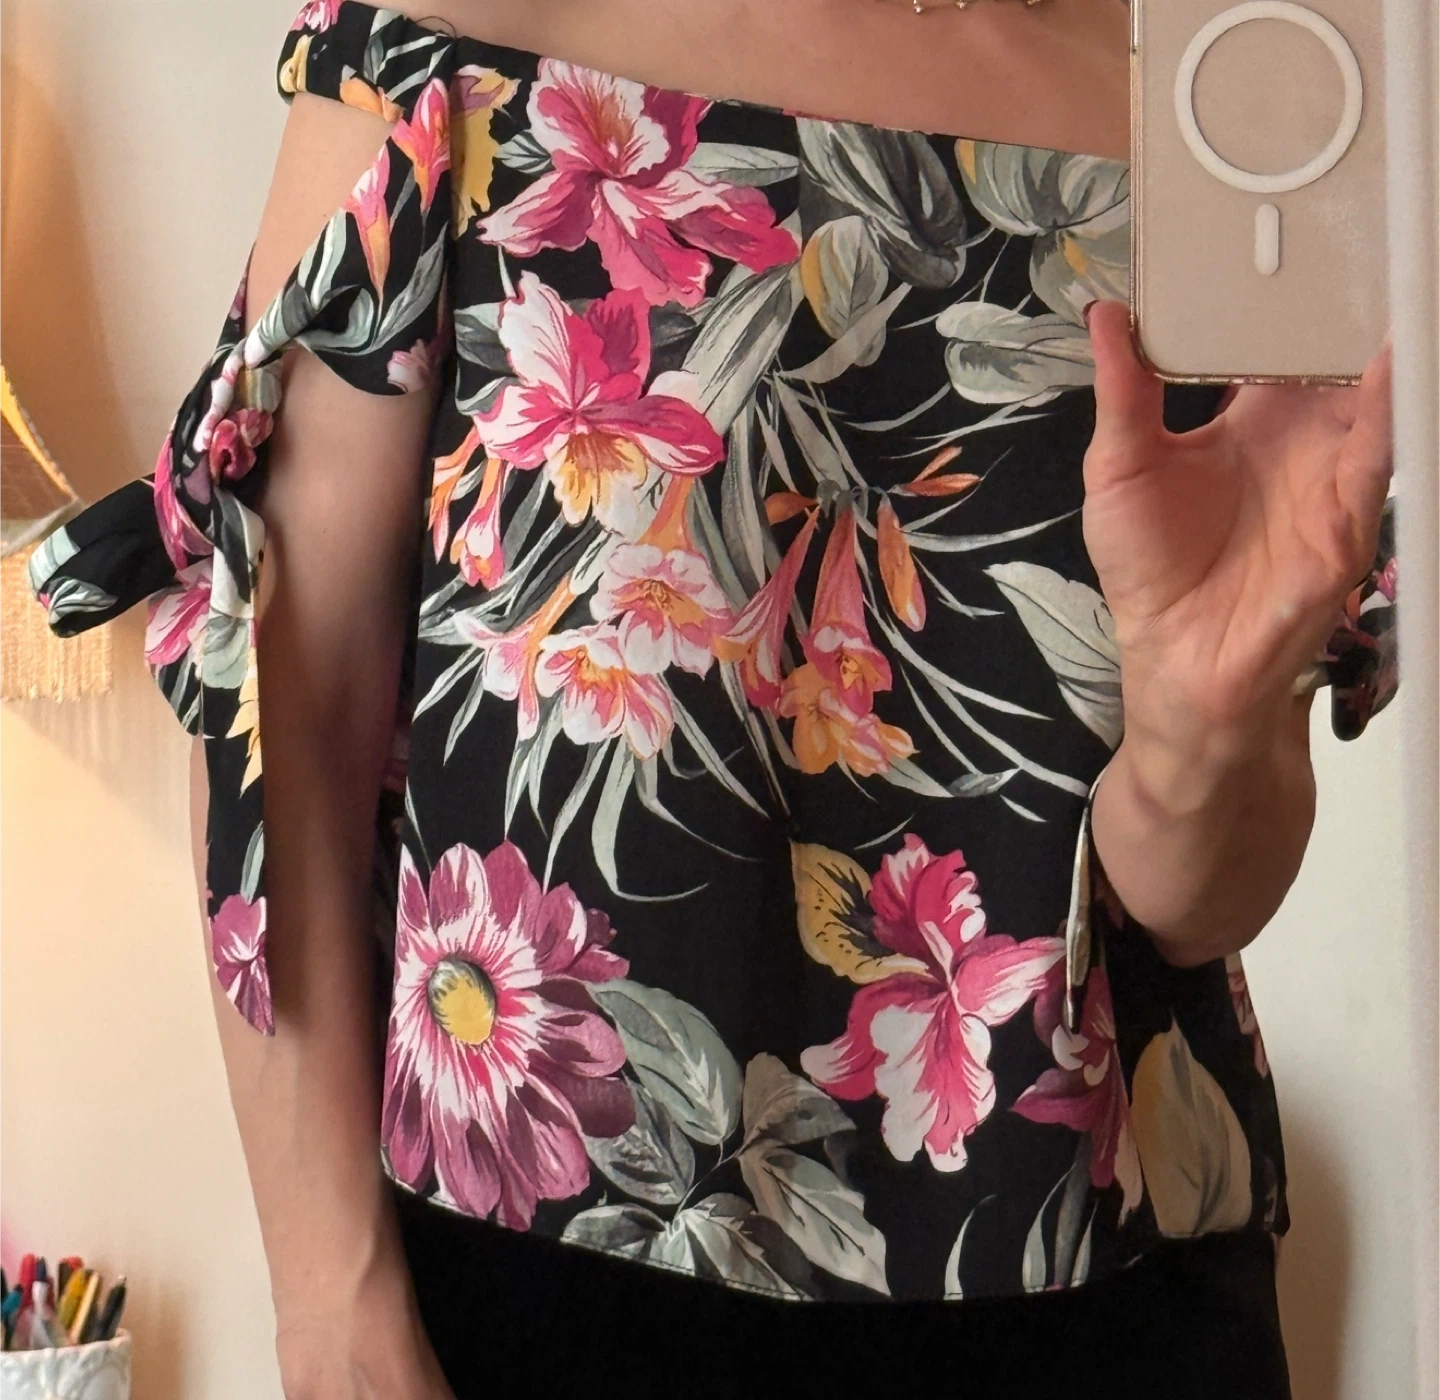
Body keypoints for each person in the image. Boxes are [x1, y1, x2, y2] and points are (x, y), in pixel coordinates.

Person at [29, 1, 1398, 1396]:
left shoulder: (1213, 108)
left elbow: (1194, 906)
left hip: (1105, 1285)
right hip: (529, 1278)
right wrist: (332, 1308)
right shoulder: (450, 37)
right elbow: (281, 700)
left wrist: (1203, 726)